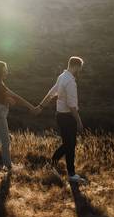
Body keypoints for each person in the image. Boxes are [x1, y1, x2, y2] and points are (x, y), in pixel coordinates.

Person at [0, 60, 38, 176]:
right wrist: (29, 107)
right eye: (5, 70)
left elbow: (13, 97)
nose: (7, 72)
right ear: (0, 71)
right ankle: (8, 167)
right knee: (6, 141)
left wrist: (29, 106)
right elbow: (12, 98)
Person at [37, 56, 87, 184]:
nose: (80, 71)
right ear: (76, 66)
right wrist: (79, 121)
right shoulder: (70, 81)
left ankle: (52, 164)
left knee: (69, 144)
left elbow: (51, 92)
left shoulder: (62, 77)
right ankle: (71, 174)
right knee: (70, 145)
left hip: (60, 116)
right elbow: (72, 105)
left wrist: (41, 106)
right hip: (68, 117)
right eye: (80, 68)